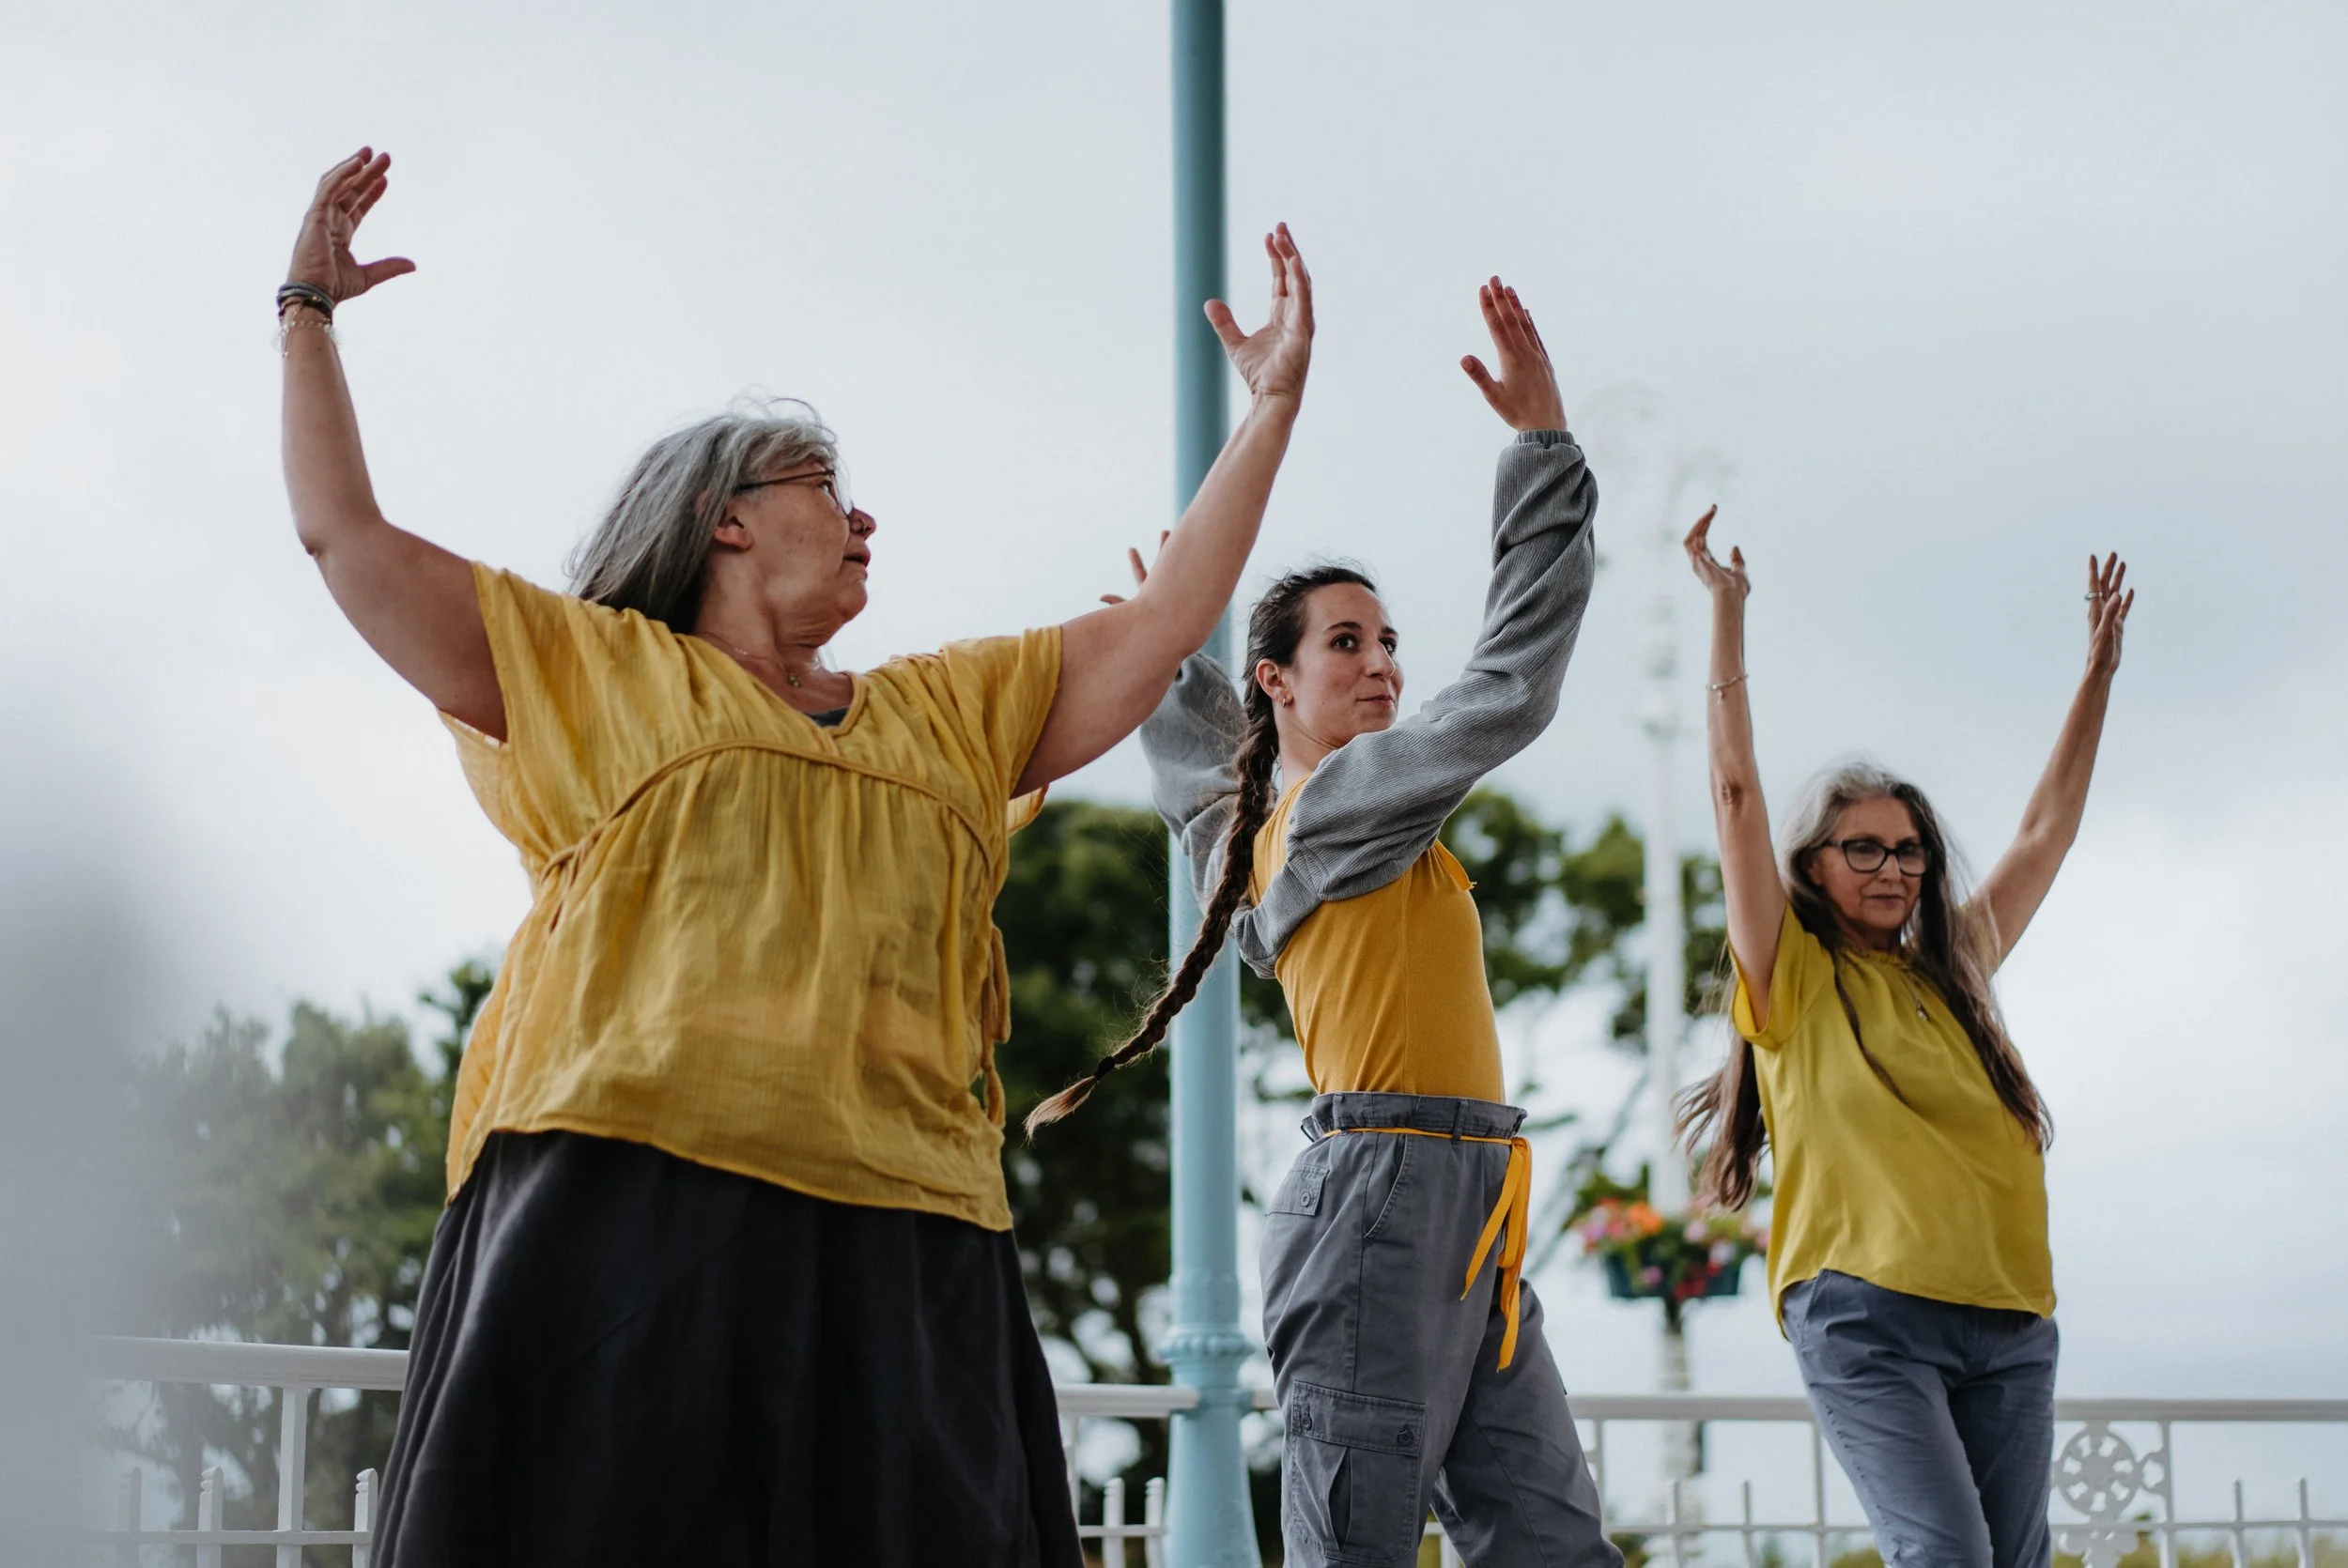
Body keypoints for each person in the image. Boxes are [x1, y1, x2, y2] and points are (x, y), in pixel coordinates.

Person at [276, 146, 1313, 1566]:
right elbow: (344, 536)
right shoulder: (595, 670)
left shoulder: (948, 711)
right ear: (727, 516)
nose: (866, 513)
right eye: (828, 484)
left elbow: (1162, 622)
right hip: (624, 1202)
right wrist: (306, 313)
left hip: (910, 1229)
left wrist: (1268, 412)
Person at [1030, 281, 1618, 1568]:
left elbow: (1194, 785)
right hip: (1384, 1196)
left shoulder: (1258, 841)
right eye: (1346, 641)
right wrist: (1544, 454)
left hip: (1468, 1199)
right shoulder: (1343, 805)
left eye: (1389, 639)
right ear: (1278, 680)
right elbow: (1513, 685)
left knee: (1554, 1545)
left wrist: (1171, 649)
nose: (1387, 663)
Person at [1676, 509, 2135, 1568]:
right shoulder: (1790, 973)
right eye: (1865, 848)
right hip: (1869, 1316)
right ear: (1816, 863)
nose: (1894, 868)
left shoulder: (1956, 966)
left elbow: (2042, 832)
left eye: (1912, 850)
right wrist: (1725, 616)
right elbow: (1734, 790)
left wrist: (2096, 673)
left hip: (2012, 1320)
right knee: (1948, 1557)